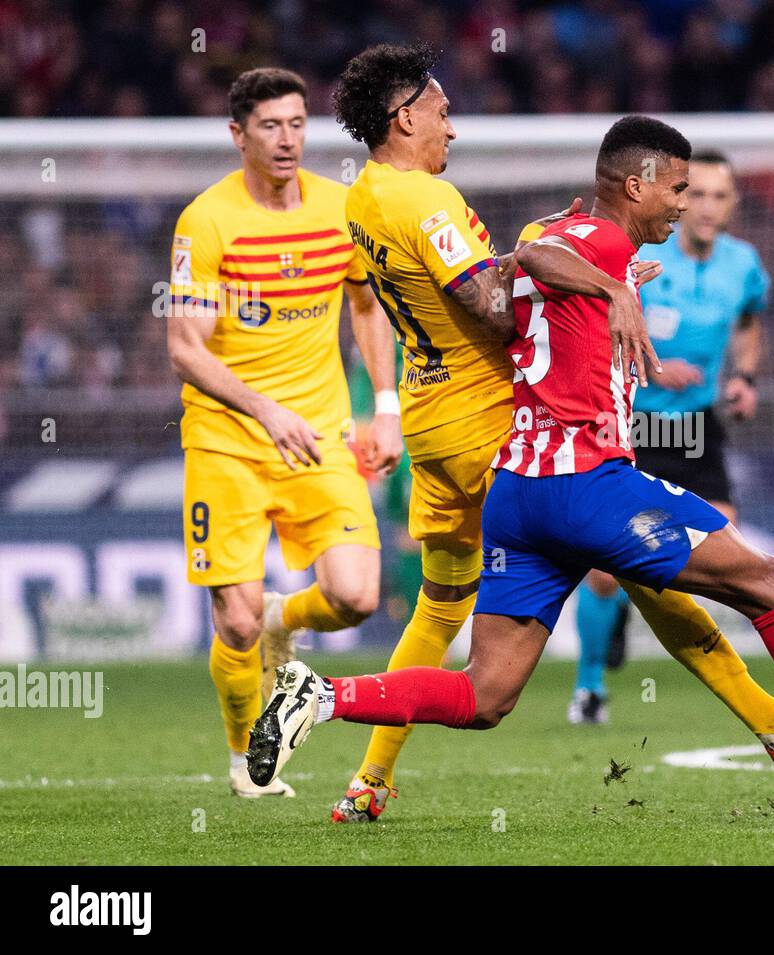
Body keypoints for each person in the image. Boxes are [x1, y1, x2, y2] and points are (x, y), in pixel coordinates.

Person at [248, 114, 774, 813]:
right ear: (635, 186)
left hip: (518, 496)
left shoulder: (554, 229)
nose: (683, 206)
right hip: (584, 484)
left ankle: (323, 695)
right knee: (773, 584)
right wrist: (614, 284)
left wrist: (600, 281)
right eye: (677, 190)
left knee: (486, 694)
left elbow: (530, 252)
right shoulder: (594, 245)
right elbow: (534, 258)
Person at [324, 45, 774, 824]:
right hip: (495, 418)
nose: (451, 127)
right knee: (648, 564)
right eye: (443, 110)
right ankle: (772, 721)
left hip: (432, 425)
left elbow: (446, 286)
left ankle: (370, 779)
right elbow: (493, 305)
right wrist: (593, 287)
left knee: (440, 603)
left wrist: (584, 271)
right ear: (405, 116)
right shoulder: (425, 200)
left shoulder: (358, 198)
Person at [165, 67, 403, 798]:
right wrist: (265, 410)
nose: (287, 139)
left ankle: (282, 619)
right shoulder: (206, 221)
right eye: (270, 125)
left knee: (358, 595)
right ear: (238, 134)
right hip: (226, 442)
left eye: (298, 123)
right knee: (230, 621)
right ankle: (246, 760)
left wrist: (385, 405)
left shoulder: (341, 209)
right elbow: (185, 345)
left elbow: (366, 306)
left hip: (322, 434)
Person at [567, 149, 769, 724]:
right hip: (636, 423)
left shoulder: (743, 265)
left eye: (718, 196)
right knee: (605, 570)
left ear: (732, 204)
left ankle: (740, 683)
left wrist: (746, 378)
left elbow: (751, 319)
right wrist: (653, 368)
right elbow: (598, 327)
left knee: (726, 548)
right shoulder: (645, 260)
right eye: (695, 193)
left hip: (698, 427)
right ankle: (590, 689)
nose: (705, 207)